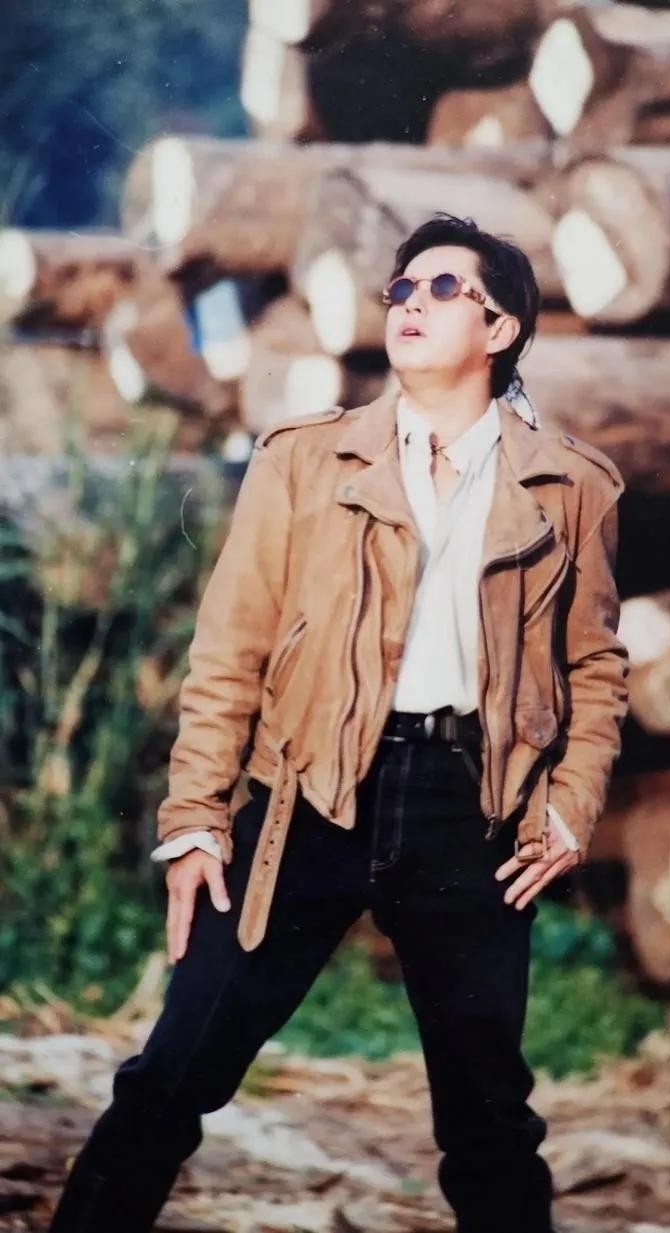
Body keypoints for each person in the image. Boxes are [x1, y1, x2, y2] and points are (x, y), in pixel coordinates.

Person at [48, 213, 629, 1233]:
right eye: (400, 288)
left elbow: (595, 663)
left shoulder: (570, 485)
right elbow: (229, 649)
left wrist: (570, 806)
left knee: (489, 1117)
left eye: (441, 288)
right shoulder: (305, 460)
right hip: (306, 798)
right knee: (172, 1071)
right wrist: (195, 819)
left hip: (470, 814)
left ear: (499, 328)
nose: (409, 302)